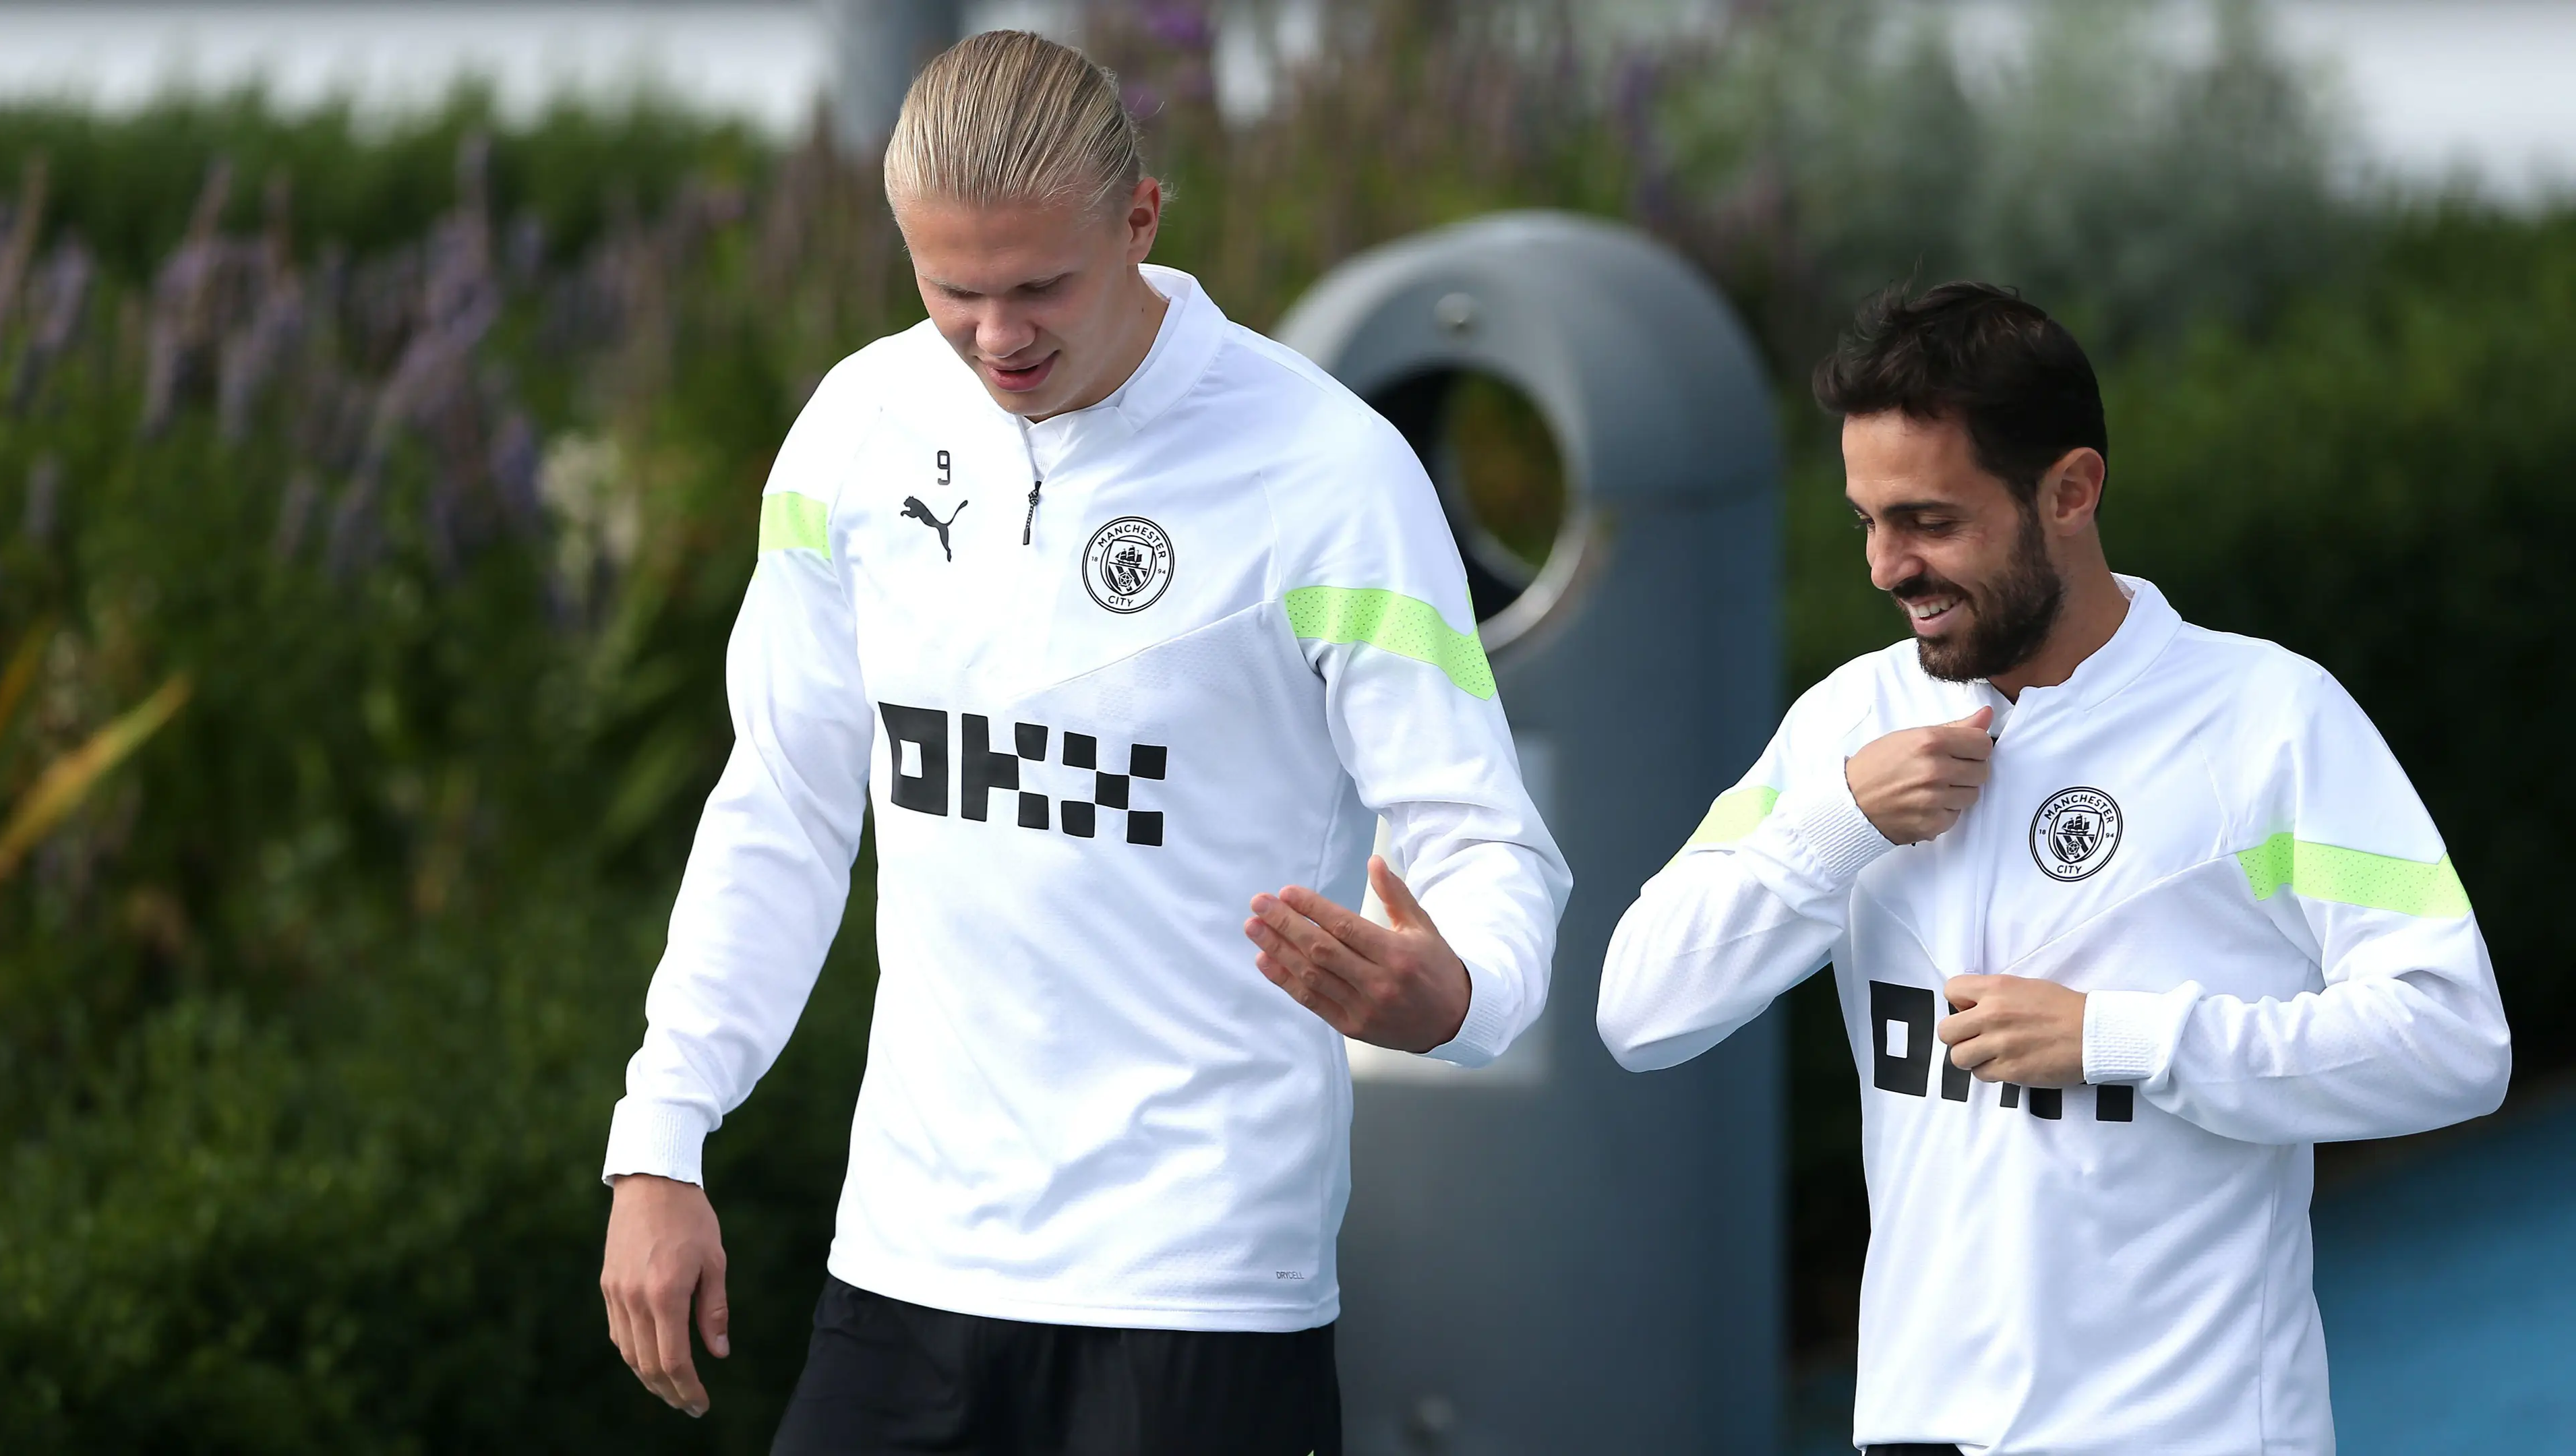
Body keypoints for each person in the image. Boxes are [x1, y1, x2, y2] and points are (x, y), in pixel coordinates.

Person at [596, 30, 1568, 1456]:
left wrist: (1458, 995)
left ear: (1140, 220)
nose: (1000, 337)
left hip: (1204, 1288)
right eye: (953, 292)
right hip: (910, 1264)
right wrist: (660, 1138)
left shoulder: (1333, 473)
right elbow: (782, 811)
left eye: (1041, 286)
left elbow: (1486, 840)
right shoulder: (856, 433)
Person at [1597, 282, 2509, 1455]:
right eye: (1867, 521)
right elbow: (1640, 1010)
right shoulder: (1847, 725)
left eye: (1929, 521)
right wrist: (1839, 826)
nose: (1885, 566)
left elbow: (2455, 1041)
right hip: (1917, 1432)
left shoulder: (2273, 719)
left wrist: (2122, 1038)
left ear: (2071, 491)